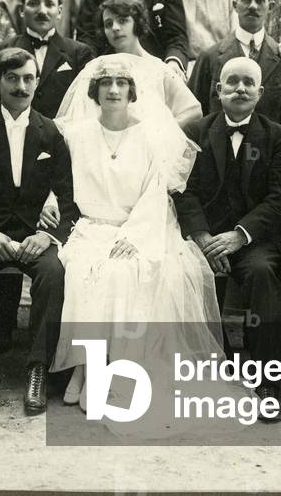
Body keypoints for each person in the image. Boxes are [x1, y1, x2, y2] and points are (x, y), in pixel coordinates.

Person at [50, 55, 227, 412]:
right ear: (95, 91)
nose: (113, 90)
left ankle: (109, 371)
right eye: (106, 84)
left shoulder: (149, 135)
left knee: (124, 271)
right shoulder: (77, 135)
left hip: (141, 227)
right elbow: (57, 181)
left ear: (132, 92)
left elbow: (154, 193)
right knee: (85, 272)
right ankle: (85, 369)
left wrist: (132, 236)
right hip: (91, 227)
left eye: (121, 84)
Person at [0, 48, 78, 415]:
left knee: (54, 272)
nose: (21, 87)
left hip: (36, 233)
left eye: (28, 79)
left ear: (38, 82)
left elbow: (70, 194)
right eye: (12, 79)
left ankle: (37, 368)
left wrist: (48, 237)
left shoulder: (51, 132)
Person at [173, 57, 281, 410]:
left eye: (248, 83)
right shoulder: (195, 132)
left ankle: (266, 379)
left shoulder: (279, 137)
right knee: (187, 271)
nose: (239, 89)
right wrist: (203, 239)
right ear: (218, 90)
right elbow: (183, 188)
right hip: (206, 239)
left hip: (254, 240)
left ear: (260, 92)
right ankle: (215, 371)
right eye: (232, 82)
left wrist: (240, 236)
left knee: (261, 273)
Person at [58, 0, 201, 126]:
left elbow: (192, 111)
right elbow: (77, 119)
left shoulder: (158, 68)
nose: (115, 28)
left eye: (122, 20)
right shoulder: (96, 68)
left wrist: (161, 135)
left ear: (137, 23)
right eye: (108, 24)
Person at [188, 0, 281, 133]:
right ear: (235, 5)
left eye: (260, 0)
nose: (253, 6)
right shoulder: (210, 57)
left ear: (270, 7)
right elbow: (194, 115)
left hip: (267, 154)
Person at [0, 0, 94, 119]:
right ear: (21, 10)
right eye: (34, 3)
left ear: (59, 11)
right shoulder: (0, 51)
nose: (42, 11)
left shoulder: (79, 53)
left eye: (49, 4)